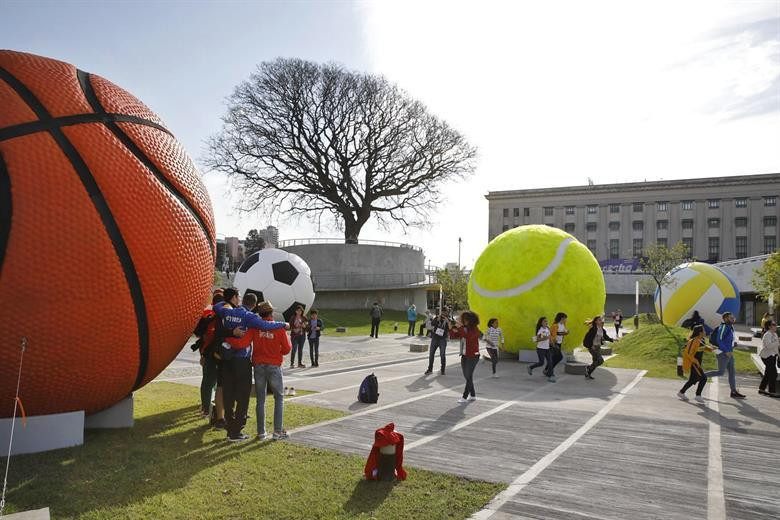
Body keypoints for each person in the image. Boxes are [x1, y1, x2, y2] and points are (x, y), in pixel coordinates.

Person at [213, 289, 288, 442]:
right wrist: (284, 324)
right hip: (255, 363)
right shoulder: (251, 318)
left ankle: (247, 431)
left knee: (242, 397)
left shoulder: (230, 314)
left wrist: (227, 304)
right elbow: (274, 334)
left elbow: (216, 306)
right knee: (253, 397)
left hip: (241, 362)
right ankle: (269, 431)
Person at [251, 301, 292, 440]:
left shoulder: (255, 327)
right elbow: (287, 349)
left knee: (260, 400)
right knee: (279, 398)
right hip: (274, 365)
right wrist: (276, 351)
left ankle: (261, 432)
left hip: (258, 365)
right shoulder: (278, 328)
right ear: (271, 313)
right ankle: (277, 431)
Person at [703, 312, 746, 399]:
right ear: (725, 319)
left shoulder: (730, 327)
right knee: (720, 372)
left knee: (732, 372)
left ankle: (733, 391)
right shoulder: (723, 327)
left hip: (729, 354)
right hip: (723, 353)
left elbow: (728, 340)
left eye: (733, 317)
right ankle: (700, 376)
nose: (733, 318)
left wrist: (733, 344)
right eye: (730, 317)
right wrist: (726, 351)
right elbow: (719, 340)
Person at [450, 310, 481, 403]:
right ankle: (473, 395)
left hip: (473, 356)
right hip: (464, 355)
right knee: (467, 376)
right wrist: (450, 328)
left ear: (470, 320)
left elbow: (467, 336)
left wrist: (459, 328)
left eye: (464, 319)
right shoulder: (464, 328)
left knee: (468, 375)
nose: (462, 321)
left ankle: (464, 396)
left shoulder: (475, 330)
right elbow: (454, 336)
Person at [677, 325, 712, 402]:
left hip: (697, 363)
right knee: (704, 378)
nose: (705, 332)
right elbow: (689, 353)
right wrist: (694, 361)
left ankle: (681, 392)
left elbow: (704, 348)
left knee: (693, 379)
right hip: (694, 363)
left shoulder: (701, 339)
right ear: (700, 332)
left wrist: (713, 349)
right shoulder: (693, 341)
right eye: (704, 331)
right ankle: (698, 395)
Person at [425, 310, 451, 375]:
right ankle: (430, 369)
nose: (443, 314)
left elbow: (450, 328)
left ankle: (443, 369)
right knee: (431, 354)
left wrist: (447, 322)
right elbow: (432, 324)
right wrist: (437, 319)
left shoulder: (448, 320)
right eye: (442, 312)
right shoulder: (437, 317)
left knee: (442, 354)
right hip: (435, 338)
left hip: (442, 339)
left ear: (447, 313)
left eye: (445, 313)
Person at [758, 320, 779, 397]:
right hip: (766, 356)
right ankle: (772, 391)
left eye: (775, 324)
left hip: (773, 356)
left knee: (768, 373)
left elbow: (776, 347)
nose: (775, 326)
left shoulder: (775, 334)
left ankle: (761, 389)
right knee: (773, 374)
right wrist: (778, 341)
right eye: (773, 324)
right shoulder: (767, 335)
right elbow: (768, 346)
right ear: (769, 326)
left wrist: (778, 355)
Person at [547, 312, 568, 382]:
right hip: (554, 343)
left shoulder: (563, 325)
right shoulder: (555, 325)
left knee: (554, 357)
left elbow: (564, 332)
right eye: (565, 318)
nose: (566, 320)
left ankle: (547, 370)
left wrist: (566, 332)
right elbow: (553, 334)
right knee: (559, 357)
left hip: (559, 343)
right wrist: (554, 341)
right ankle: (549, 370)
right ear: (562, 318)